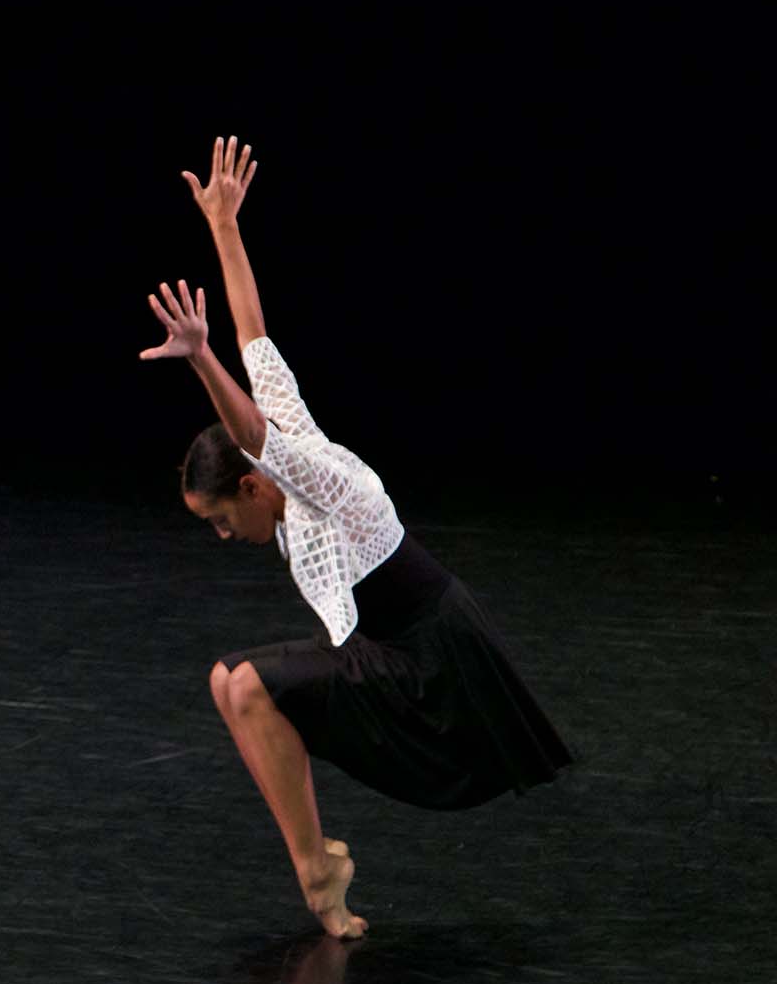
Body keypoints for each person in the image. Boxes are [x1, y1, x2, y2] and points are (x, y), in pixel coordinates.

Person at [140, 136, 574, 938]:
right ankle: (318, 869)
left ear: (250, 486)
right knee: (230, 684)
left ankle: (317, 872)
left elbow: (252, 426)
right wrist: (225, 227)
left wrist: (200, 364)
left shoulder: (319, 478)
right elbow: (255, 334)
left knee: (240, 682)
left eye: (220, 520)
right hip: (386, 655)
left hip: (430, 670)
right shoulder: (289, 435)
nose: (225, 536)